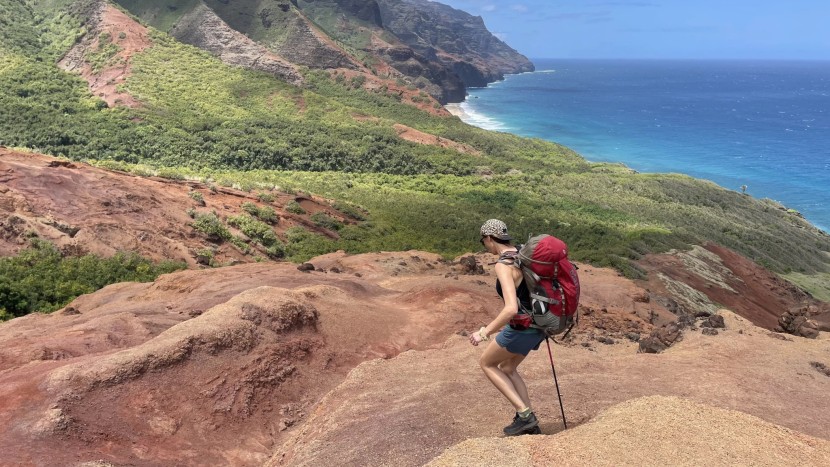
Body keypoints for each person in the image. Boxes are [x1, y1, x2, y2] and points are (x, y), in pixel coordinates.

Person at [470, 219, 545, 436]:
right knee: (508, 368)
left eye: (484, 242)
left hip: (522, 328)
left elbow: (511, 308)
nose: (485, 246)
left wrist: (484, 333)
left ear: (489, 238)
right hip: (540, 326)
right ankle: (527, 420)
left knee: (487, 363)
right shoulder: (523, 253)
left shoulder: (504, 265)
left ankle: (525, 416)